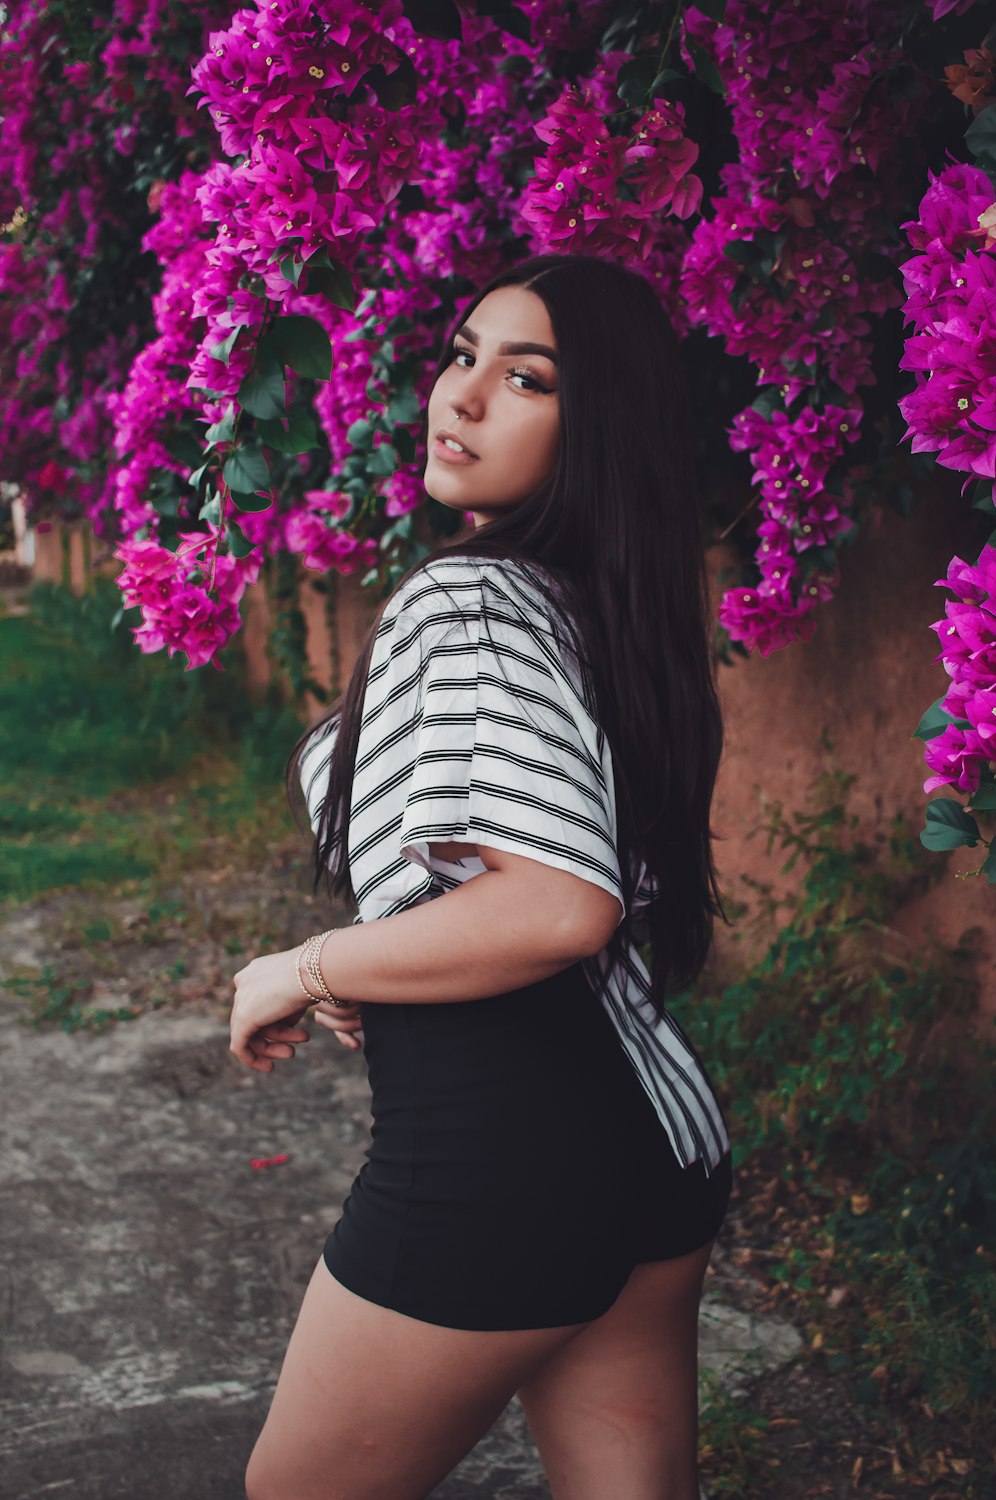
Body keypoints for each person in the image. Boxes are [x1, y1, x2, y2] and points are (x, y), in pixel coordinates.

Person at [229, 251, 734, 1500]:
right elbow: (514, 887)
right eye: (463, 356)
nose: (461, 397)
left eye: (526, 378)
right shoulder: (601, 613)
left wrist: (306, 965)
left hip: (501, 1151)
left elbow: (557, 904)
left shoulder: (469, 602)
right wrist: (396, 962)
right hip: (650, 1137)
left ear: (597, 428)